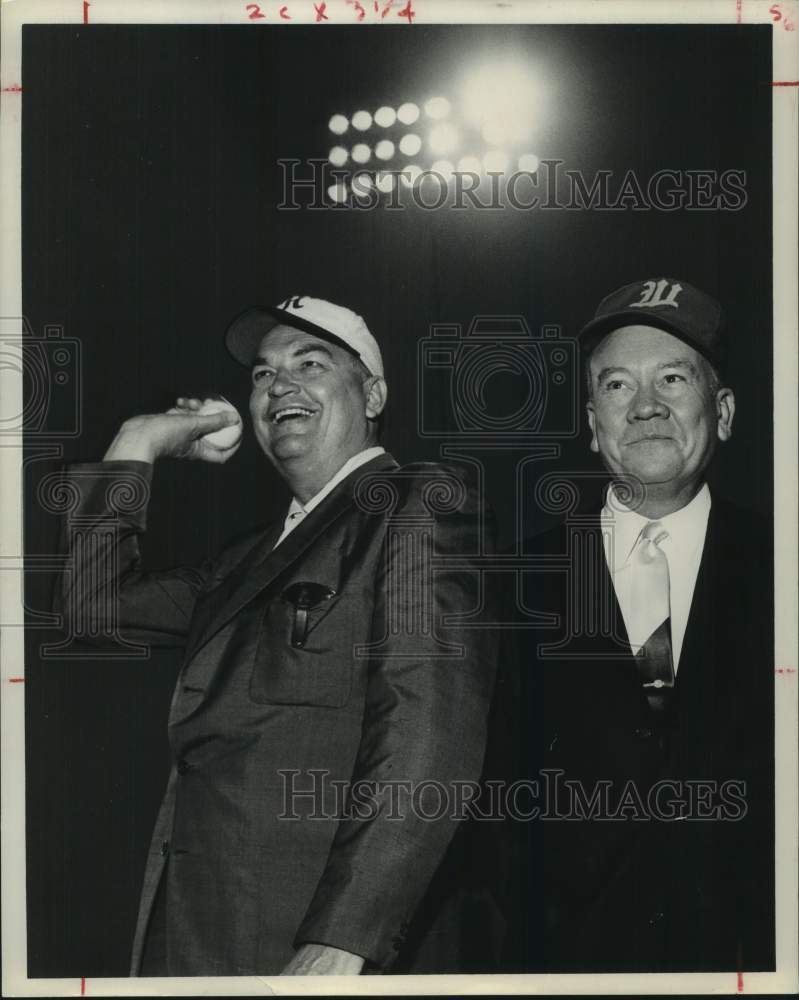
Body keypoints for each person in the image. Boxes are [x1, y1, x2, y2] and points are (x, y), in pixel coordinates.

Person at [57, 295, 497, 976]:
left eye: (310, 363)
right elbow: (91, 607)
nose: (279, 385)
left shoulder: (416, 504)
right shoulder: (242, 561)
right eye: (262, 375)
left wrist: (347, 935)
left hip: (303, 942)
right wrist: (138, 441)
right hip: (193, 931)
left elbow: (427, 732)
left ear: (373, 393)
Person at [490, 278, 774, 972]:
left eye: (672, 378)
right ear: (592, 424)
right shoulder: (511, 583)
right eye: (617, 386)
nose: (645, 407)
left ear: (725, 410)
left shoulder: (785, 566)